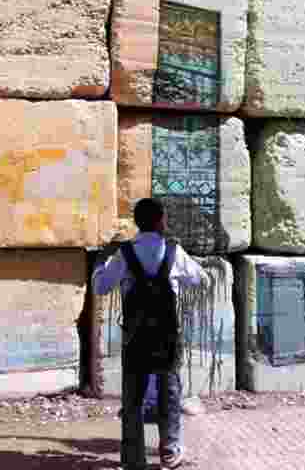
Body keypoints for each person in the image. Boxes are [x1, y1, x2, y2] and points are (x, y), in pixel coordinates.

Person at [92, 198, 205, 470]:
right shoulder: (173, 251)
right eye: (164, 218)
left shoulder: (124, 254)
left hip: (135, 338)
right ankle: (169, 450)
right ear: (159, 221)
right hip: (166, 338)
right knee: (170, 392)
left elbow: (100, 287)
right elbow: (200, 278)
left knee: (133, 397)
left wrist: (100, 265)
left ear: (138, 222)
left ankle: (133, 460)